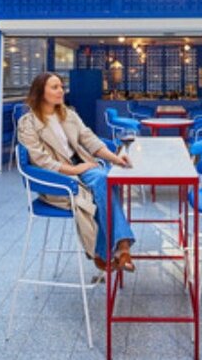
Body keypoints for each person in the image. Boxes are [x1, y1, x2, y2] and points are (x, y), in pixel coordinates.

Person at [17, 71, 136, 272]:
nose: (60, 91)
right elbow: (40, 160)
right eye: (54, 87)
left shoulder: (68, 114)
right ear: (40, 91)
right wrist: (73, 169)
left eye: (61, 87)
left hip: (80, 167)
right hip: (58, 179)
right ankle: (118, 247)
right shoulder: (28, 123)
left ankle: (107, 251)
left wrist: (117, 159)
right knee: (102, 181)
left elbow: (89, 139)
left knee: (105, 179)